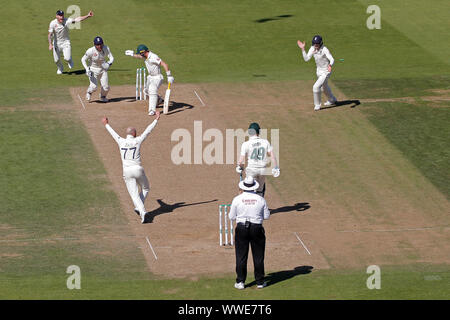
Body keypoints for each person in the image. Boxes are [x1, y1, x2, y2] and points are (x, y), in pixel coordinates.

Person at [102, 111, 161, 223]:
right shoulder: (137, 140)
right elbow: (148, 131)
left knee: (134, 195)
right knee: (146, 188)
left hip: (127, 171)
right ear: (134, 134)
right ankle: (141, 210)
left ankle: (141, 210)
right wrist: (156, 119)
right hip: (138, 169)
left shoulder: (121, 141)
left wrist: (106, 124)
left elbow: (113, 133)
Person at [229, 176, 270, 290]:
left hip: (241, 228)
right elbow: (266, 216)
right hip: (257, 227)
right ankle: (260, 282)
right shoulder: (260, 199)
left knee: (241, 256)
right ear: (254, 187)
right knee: (258, 256)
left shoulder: (237, 199)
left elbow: (231, 216)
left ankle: (240, 281)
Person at [124, 44, 174, 115]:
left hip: (157, 77)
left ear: (143, 52)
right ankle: (159, 100)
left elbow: (164, 64)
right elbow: (139, 56)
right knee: (146, 91)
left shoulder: (153, 57)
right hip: (150, 77)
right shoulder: (145, 56)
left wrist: (169, 75)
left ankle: (152, 110)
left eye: (140, 53)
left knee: (152, 89)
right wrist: (132, 54)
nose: (140, 55)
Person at [236, 122, 280, 197]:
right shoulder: (265, 142)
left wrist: (239, 166)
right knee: (260, 191)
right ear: (258, 132)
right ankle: (260, 206)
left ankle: (250, 207)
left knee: (249, 190)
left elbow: (241, 160)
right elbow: (272, 156)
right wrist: (276, 167)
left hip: (251, 170)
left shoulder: (246, 144)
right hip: (262, 170)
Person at [297, 35, 338, 111]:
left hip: (326, 71)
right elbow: (306, 59)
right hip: (318, 71)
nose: (315, 45)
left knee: (316, 87)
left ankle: (317, 105)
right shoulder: (312, 48)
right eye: (314, 43)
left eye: (317, 44)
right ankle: (332, 99)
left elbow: (332, 59)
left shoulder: (324, 49)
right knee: (324, 87)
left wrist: (330, 65)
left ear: (321, 43)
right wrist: (303, 49)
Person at [48, 9, 94, 74]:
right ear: (56, 16)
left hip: (65, 42)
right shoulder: (52, 23)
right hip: (56, 44)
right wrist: (50, 44)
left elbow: (77, 19)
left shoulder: (67, 21)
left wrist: (87, 16)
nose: (61, 17)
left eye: (62, 15)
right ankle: (60, 68)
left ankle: (70, 61)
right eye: (60, 15)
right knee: (56, 60)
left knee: (67, 58)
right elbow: (49, 34)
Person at [81, 36, 114, 103]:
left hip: (103, 70)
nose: (99, 46)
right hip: (93, 70)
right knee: (94, 87)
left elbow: (111, 58)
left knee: (106, 87)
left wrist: (109, 63)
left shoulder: (106, 48)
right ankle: (89, 92)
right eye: (97, 45)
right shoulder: (90, 51)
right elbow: (83, 59)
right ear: (94, 44)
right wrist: (87, 69)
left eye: (101, 44)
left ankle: (103, 97)